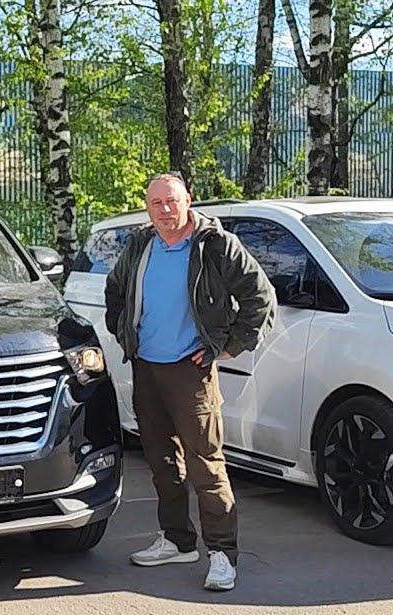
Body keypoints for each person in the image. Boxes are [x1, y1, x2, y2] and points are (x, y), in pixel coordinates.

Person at [104, 174, 276, 591]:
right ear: (147, 207)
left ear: (188, 201)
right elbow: (116, 292)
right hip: (147, 368)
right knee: (162, 463)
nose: (164, 210)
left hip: (191, 371)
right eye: (156, 203)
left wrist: (228, 348)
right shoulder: (140, 245)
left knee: (206, 465)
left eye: (171, 201)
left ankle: (222, 554)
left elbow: (260, 298)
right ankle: (177, 540)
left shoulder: (216, 245)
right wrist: (126, 334)